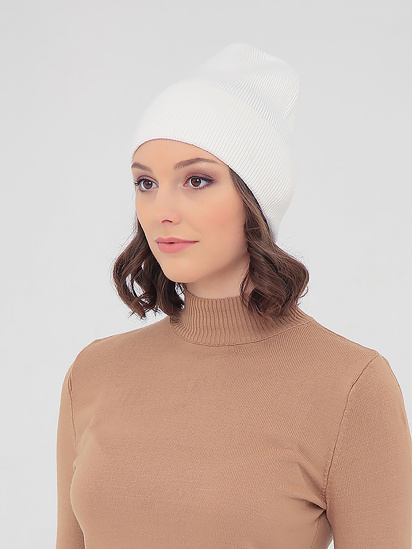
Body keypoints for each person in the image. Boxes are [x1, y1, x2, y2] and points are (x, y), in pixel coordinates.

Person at [55, 43, 412, 548]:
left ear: (253, 199)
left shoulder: (351, 385)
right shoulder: (92, 375)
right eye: (146, 183)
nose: (161, 210)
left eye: (197, 180)